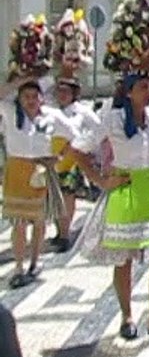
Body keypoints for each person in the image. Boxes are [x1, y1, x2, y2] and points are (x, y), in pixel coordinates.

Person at [69, 68, 149, 344]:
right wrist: (101, 180)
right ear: (129, 91)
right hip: (125, 186)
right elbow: (78, 149)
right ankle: (127, 316)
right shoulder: (112, 119)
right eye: (143, 87)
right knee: (124, 259)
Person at [0, 77, 80, 288]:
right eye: (26, 97)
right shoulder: (10, 112)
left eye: (35, 96)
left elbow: (75, 135)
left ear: (42, 98)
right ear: (19, 98)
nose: (31, 101)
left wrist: (60, 156)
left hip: (41, 169)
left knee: (39, 221)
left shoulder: (51, 116)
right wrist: (24, 77)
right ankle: (19, 266)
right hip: (17, 169)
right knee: (18, 222)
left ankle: (34, 262)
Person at [49, 77, 101, 253]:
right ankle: (59, 231)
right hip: (51, 157)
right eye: (59, 91)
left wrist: (85, 147)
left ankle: (65, 234)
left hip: (71, 157)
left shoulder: (82, 111)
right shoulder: (51, 110)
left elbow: (97, 129)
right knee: (54, 197)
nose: (62, 95)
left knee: (67, 196)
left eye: (66, 91)